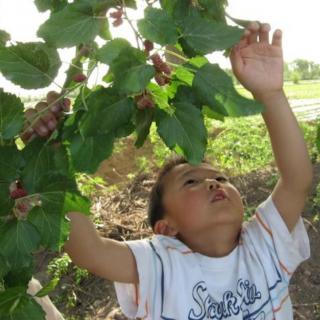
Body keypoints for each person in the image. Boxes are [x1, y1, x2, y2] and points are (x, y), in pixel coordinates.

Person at [23, 22, 313, 319]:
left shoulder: (263, 245)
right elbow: (91, 251)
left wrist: (271, 94)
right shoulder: (162, 264)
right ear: (166, 229)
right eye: (191, 182)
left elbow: (296, 180)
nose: (213, 183)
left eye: (220, 178)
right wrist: (51, 162)